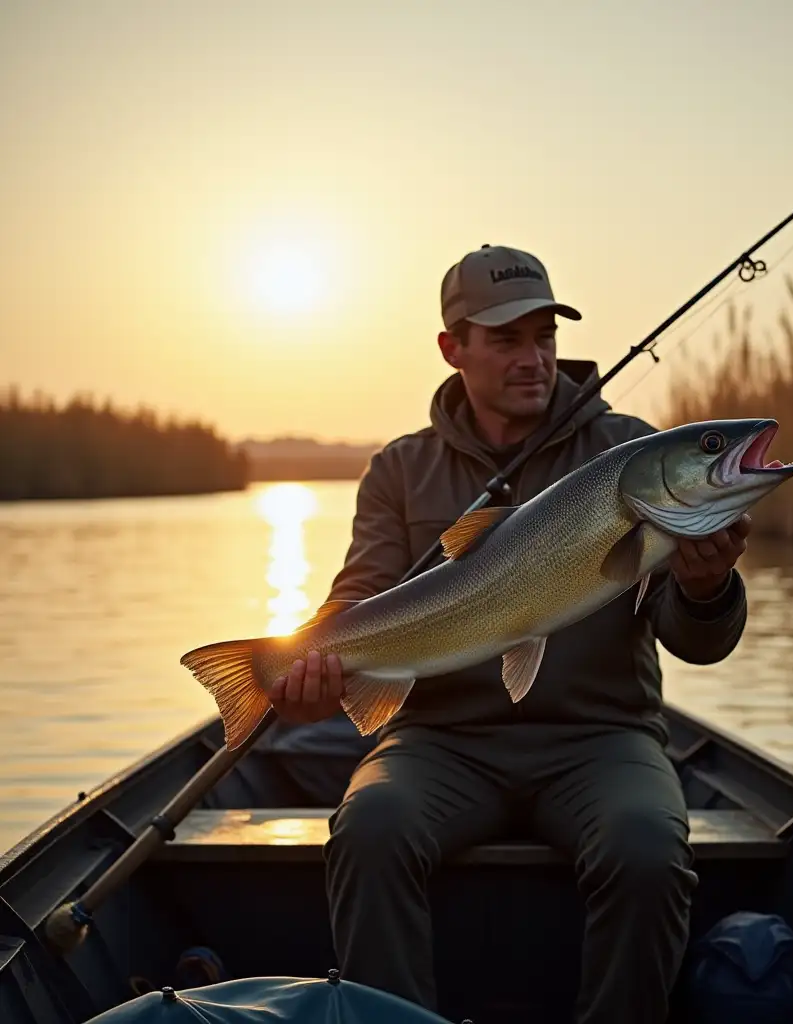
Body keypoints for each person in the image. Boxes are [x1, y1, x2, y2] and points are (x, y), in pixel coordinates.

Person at [266, 244, 752, 1024]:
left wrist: (707, 586)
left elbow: (696, 641)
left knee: (648, 852)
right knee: (369, 828)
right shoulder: (401, 470)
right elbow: (360, 597)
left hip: (603, 737)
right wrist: (303, 673)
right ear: (452, 347)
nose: (533, 358)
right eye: (506, 339)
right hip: (437, 742)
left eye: (544, 335)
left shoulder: (629, 452)